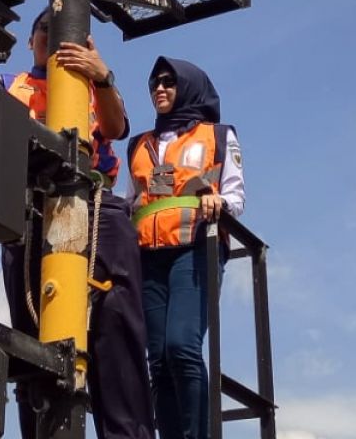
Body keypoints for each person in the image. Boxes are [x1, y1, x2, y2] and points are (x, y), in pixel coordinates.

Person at [0, 8, 154, 439]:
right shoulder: (11, 87)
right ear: (31, 42)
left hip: (98, 205)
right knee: (32, 337)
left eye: (60, 31)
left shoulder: (90, 84)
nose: (50, 36)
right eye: (42, 30)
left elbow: (115, 126)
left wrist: (101, 76)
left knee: (116, 331)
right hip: (29, 214)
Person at [127, 57, 244, 439]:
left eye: (168, 82)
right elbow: (132, 200)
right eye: (154, 84)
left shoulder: (216, 135)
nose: (159, 89)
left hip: (194, 247)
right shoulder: (140, 145)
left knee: (181, 346)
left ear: (189, 87)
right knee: (158, 360)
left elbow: (236, 197)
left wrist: (219, 203)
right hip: (149, 255)